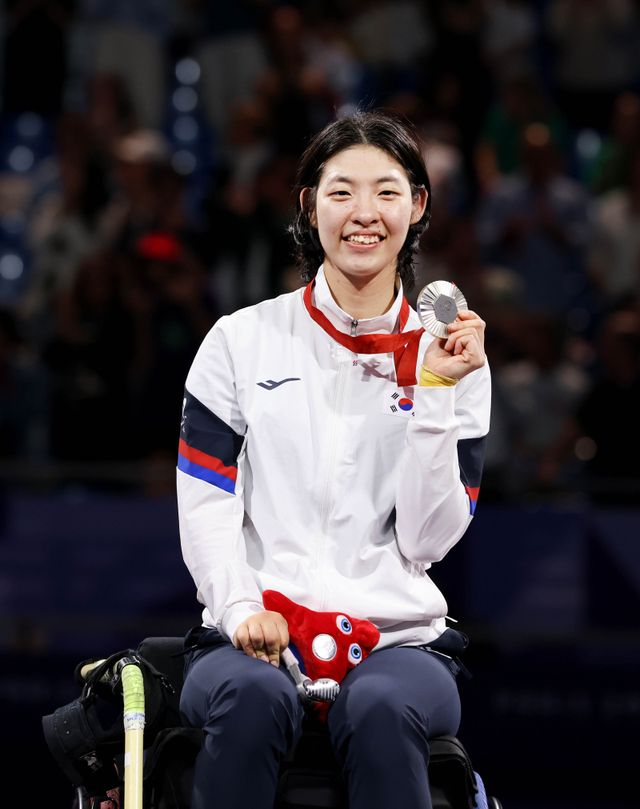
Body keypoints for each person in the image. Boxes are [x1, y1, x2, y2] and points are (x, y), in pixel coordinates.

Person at [176, 109, 491, 809]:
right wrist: (240, 607)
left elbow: (427, 540)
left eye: (387, 191)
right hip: (249, 636)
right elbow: (205, 503)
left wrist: (435, 392)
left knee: (380, 708)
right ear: (309, 203)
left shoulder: (454, 357)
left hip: (398, 645)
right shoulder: (240, 340)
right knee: (251, 698)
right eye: (341, 191)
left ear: (418, 205)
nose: (363, 213)